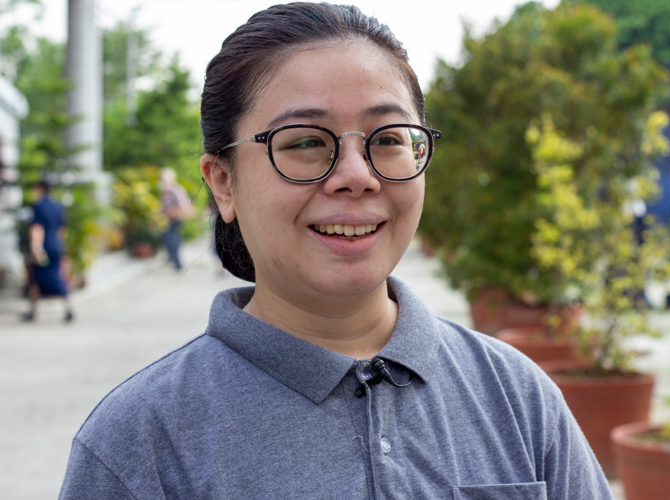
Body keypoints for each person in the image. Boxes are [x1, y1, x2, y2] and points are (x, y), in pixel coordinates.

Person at [59, 3, 613, 498]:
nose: (357, 176)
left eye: (390, 139)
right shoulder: (140, 444)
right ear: (223, 181)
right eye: (304, 142)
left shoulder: (515, 396)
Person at [21, 180, 73, 322]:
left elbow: (37, 228)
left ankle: (32, 312)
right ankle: (67, 308)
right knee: (57, 275)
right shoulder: (58, 207)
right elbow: (61, 231)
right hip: (56, 246)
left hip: (44, 248)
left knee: (36, 279)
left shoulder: (38, 206)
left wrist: (36, 248)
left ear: (40, 189)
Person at [159, 167, 193, 270]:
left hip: (176, 218)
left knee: (172, 239)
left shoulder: (176, 190)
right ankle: (172, 260)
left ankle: (177, 263)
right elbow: (163, 206)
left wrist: (172, 211)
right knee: (168, 238)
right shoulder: (167, 191)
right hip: (169, 218)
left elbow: (183, 205)